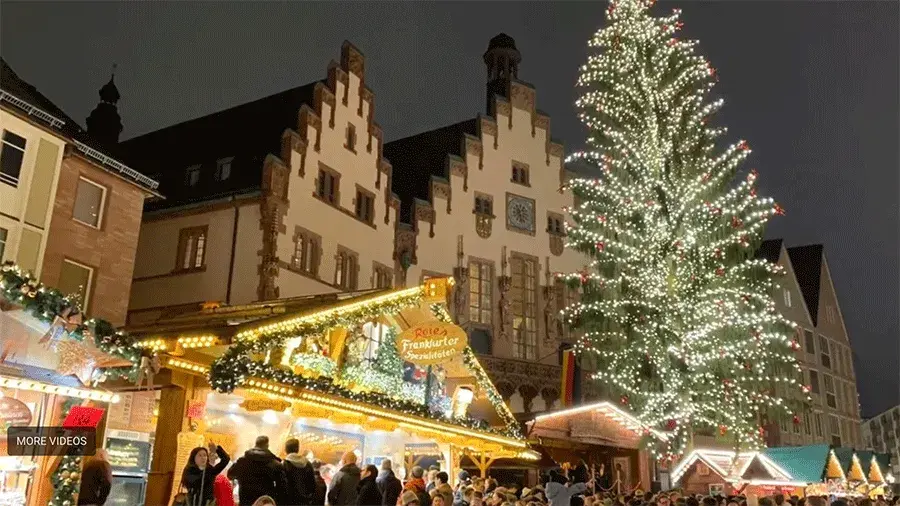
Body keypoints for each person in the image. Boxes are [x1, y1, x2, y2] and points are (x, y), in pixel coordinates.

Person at [228, 436, 286, 506]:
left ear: (255, 444)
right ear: (267, 445)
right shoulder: (275, 464)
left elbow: (230, 475)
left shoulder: (242, 461)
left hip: (245, 502)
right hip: (266, 503)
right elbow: (282, 488)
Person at [283, 438, 316, 505]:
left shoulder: (284, 464)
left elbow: (282, 484)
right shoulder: (307, 463)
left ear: (286, 449)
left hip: (289, 501)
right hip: (304, 501)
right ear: (297, 449)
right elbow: (312, 484)